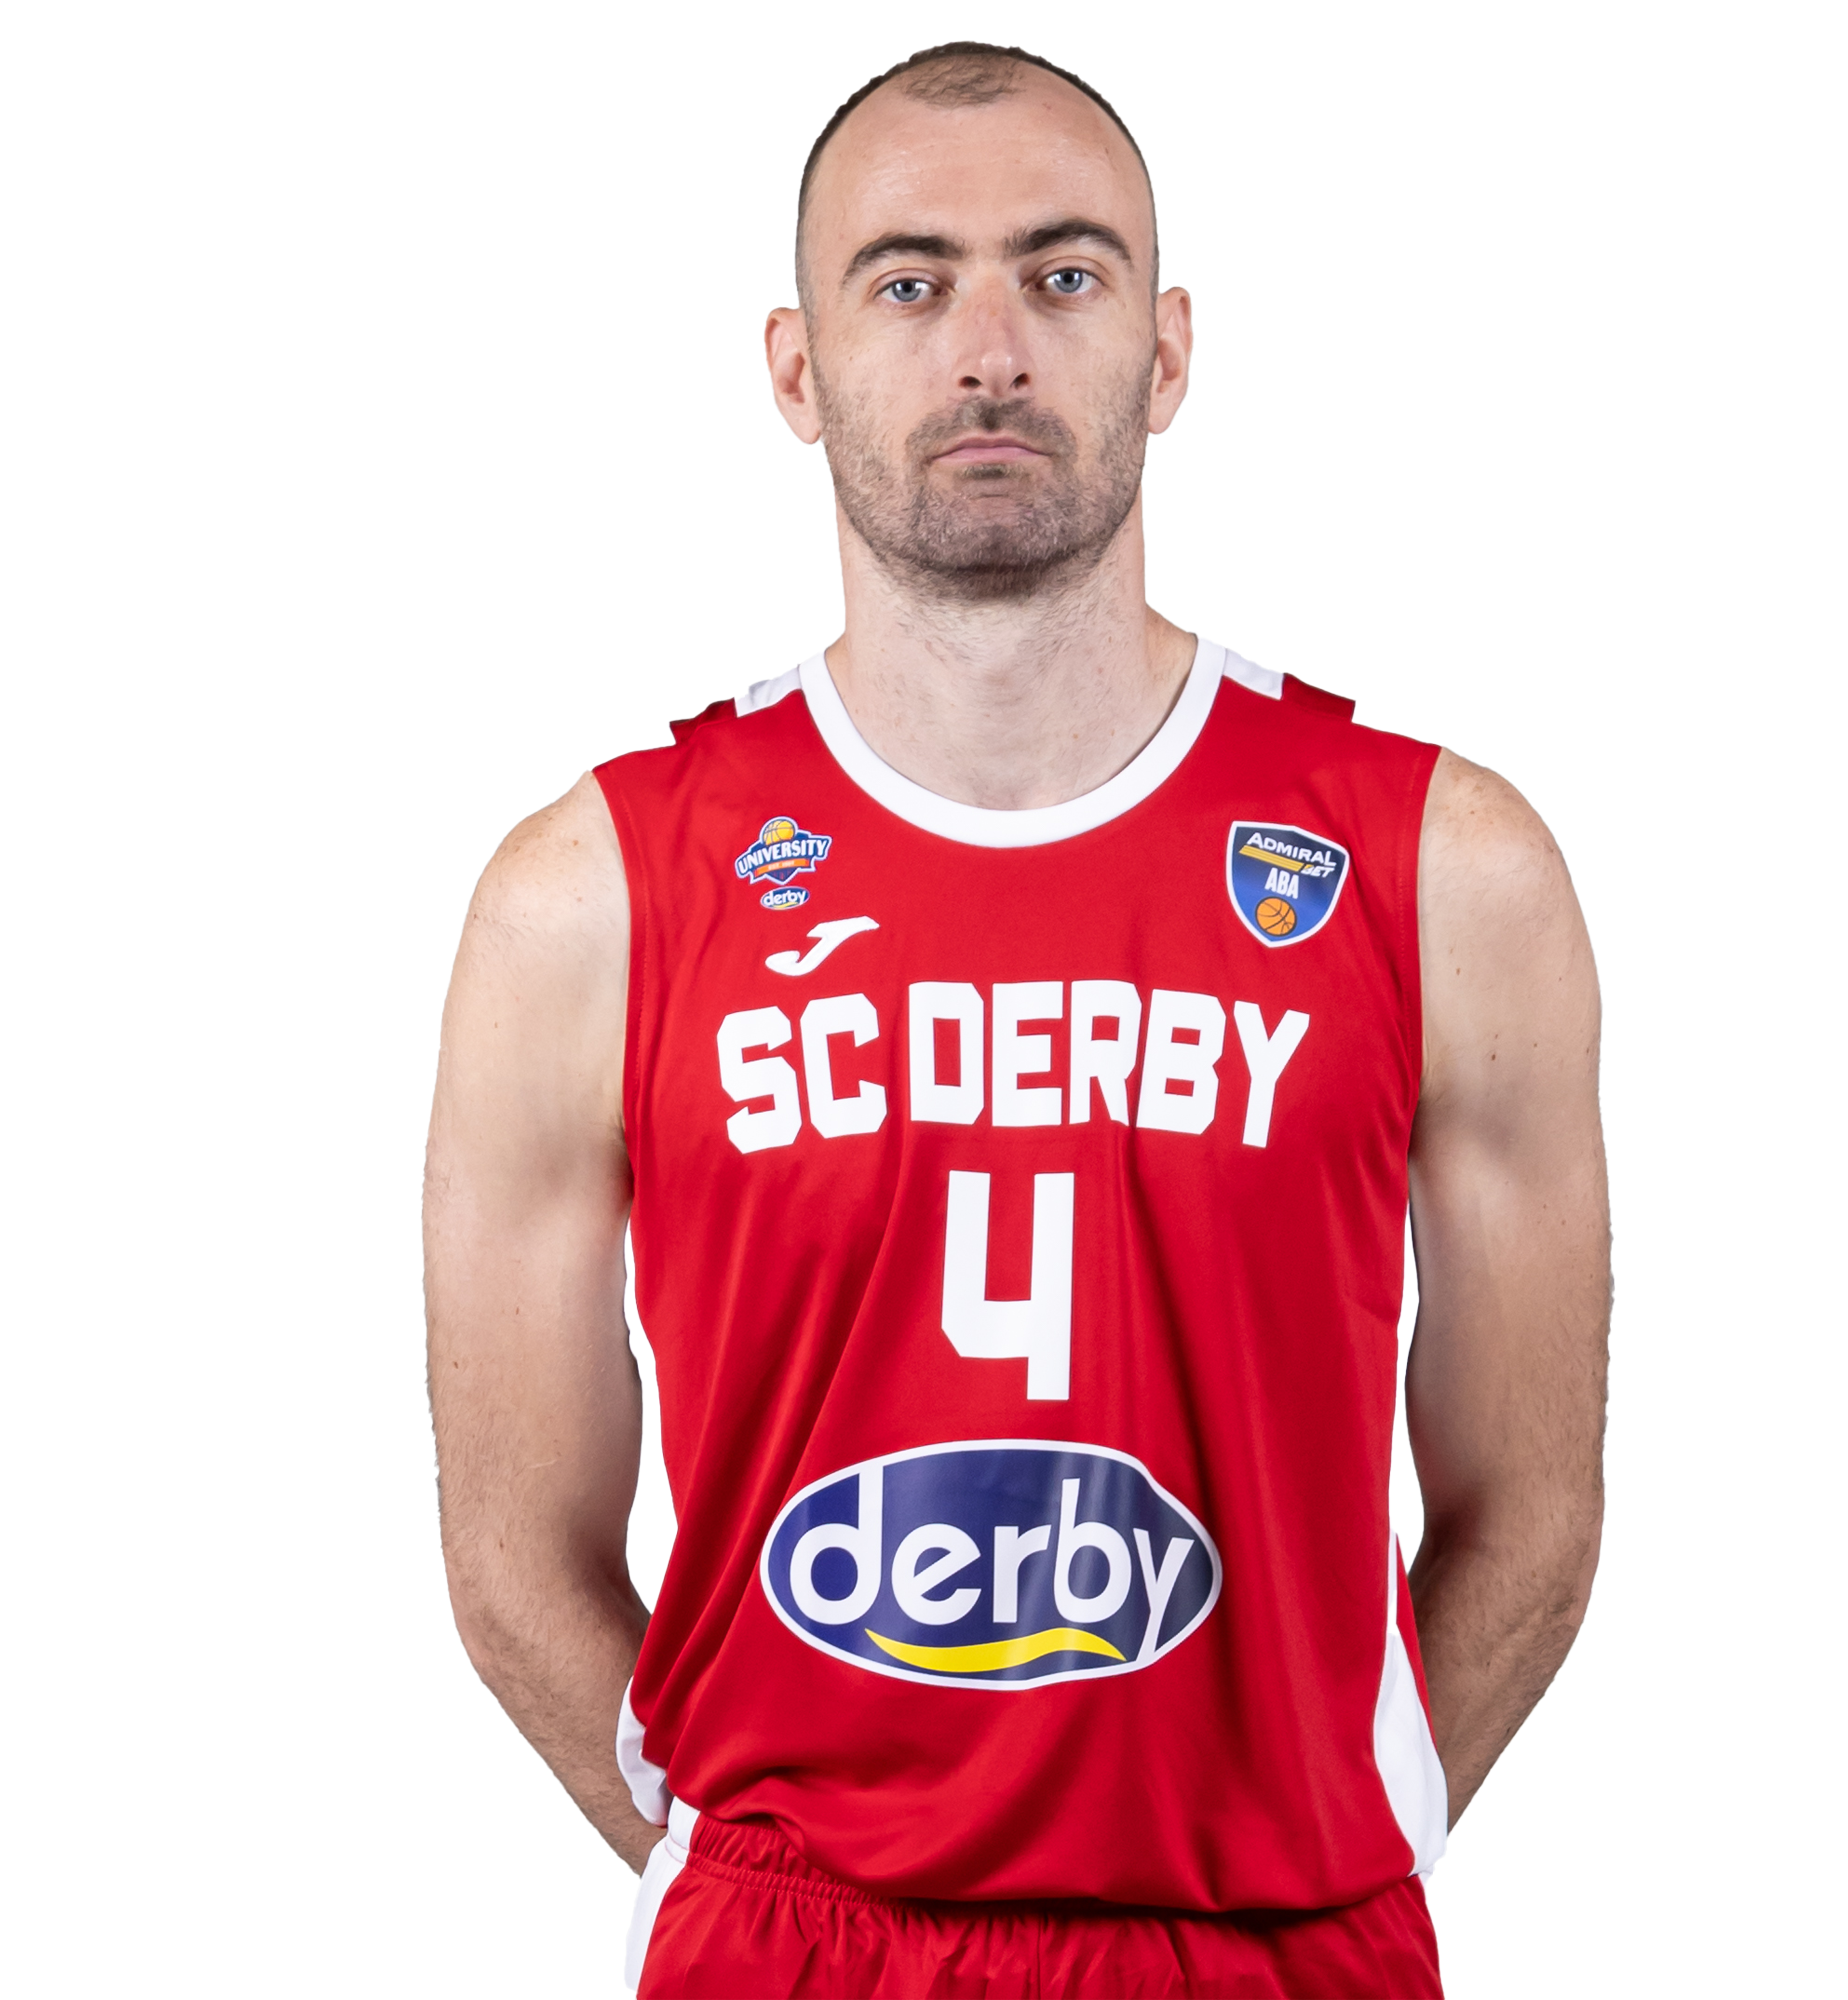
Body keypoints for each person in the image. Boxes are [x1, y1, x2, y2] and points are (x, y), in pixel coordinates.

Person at [425, 40, 1608, 2000]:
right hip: (797, 1946)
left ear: (1166, 349)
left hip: (1277, 1944)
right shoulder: (593, 900)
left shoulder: (1438, 869)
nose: (989, 350)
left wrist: (1336, 1827)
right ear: (798, 369)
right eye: (908, 283)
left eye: (1063, 275)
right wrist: (761, 1875)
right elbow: (510, 1565)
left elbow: (1535, 1514)